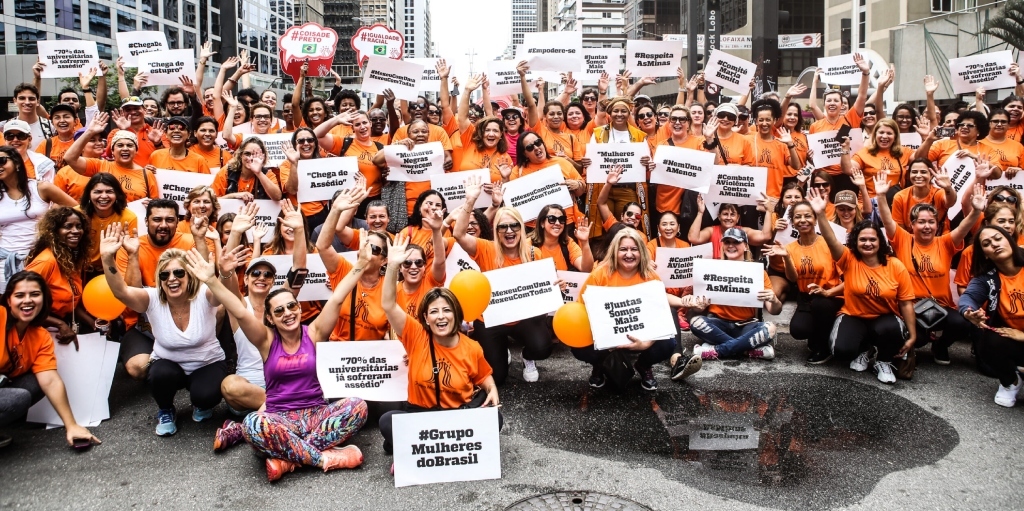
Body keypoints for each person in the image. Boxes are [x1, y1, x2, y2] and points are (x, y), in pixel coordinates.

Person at [190, 236, 368, 481]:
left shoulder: (314, 333)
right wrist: (211, 279)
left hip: (316, 414)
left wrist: (361, 265)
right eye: (279, 310)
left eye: (292, 306)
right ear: (271, 318)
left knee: (358, 406)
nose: (288, 313)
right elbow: (239, 310)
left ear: (299, 308)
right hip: (279, 417)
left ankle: (287, 460)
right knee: (253, 425)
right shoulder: (266, 340)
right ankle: (324, 458)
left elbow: (337, 298)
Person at [378, 233, 499, 458]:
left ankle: (408, 447)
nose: (441, 317)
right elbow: (387, 303)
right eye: (434, 311)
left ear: (456, 315)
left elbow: (484, 377)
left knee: (495, 419)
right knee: (387, 421)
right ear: (425, 317)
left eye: (446, 310)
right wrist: (393, 266)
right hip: (421, 413)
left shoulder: (471, 347)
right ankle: (413, 447)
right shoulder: (415, 334)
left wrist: (492, 390)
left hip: (456, 415)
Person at [100, 223, 227, 435]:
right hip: (169, 365)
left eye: (178, 272)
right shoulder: (151, 299)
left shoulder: (204, 295)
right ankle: (166, 408)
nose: (172, 279)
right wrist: (106, 258)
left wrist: (214, 276)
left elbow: (222, 294)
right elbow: (121, 292)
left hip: (207, 362)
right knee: (159, 374)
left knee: (206, 395)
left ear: (189, 276)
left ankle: (201, 402)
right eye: (164, 275)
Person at [808, 187, 916, 384]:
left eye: (872, 239)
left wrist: (913, 335)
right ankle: (865, 349)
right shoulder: (848, 259)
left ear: (880, 242)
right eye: (862, 239)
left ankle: (883, 360)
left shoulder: (895, 265)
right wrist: (820, 214)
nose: (868, 243)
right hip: (854, 316)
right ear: (855, 242)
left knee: (892, 329)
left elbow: (906, 303)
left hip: (885, 318)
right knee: (841, 351)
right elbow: (831, 240)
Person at [876, 173, 984, 365]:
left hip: (940, 307)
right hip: (909, 307)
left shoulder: (946, 243)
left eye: (931, 222)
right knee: (919, 340)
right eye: (921, 222)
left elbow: (965, 228)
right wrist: (882, 196)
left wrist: (976, 211)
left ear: (937, 224)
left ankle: (940, 346)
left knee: (961, 323)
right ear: (912, 224)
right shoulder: (903, 239)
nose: (927, 226)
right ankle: (920, 338)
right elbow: (887, 221)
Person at [454, 177, 554, 384]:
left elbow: (544, 291)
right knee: (497, 378)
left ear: (521, 227)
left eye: (514, 226)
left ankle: (528, 358)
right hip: (490, 320)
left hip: (523, 319)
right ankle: (501, 351)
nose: (509, 231)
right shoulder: (485, 248)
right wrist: (470, 201)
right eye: (503, 227)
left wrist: (553, 289)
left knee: (542, 347)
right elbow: (458, 233)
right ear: (496, 231)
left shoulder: (535, 254)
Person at [0, 271, 101, 449]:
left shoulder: (40, 335)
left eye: (35, 294)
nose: (27, 300)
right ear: (9, 300)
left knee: (36, 383)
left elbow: (50, 381)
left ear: (44, 300)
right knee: (18, 397)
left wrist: (72, 426)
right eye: (19, 295)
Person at [572, 229, 683, 390]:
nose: (629, 254)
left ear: (641, 252)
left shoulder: (650, 276)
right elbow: (582, 311)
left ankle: (644, 366)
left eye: (634, 249)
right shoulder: (599, 275)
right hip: (606, 340)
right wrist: (604, 340)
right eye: (623, 249)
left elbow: (659, 316)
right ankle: (600, 365)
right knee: (578, 346)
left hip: (642, 336)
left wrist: (646, 344)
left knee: (668, 342)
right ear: (615, 251)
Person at [113, 199, 205, 381]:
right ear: (146, 221)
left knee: (217, 308)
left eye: (170, 220)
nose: (163, 225)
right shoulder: (131, 245)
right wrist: (133, 256)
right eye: (157, 219)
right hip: (144, 325)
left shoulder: (189, 242)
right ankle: (168, 366)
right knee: (137, 368)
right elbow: (133, 299)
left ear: (177, 222)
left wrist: (200, 239)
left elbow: (205, 284)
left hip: (185, 321)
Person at [688, 228, 782, 361]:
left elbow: (774, 310)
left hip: (746, 326)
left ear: (745, 246)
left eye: (736, 242)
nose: (731, 246)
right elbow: (698, 309)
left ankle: (716, 350)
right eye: (727, 242)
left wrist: (774, 300)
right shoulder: (711, 269)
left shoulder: (758, 272)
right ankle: (747, 350)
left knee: (770, 328)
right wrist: (699, 306)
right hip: (718, 324)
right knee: (696, 322)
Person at [769, 201, 844, 364]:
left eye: (807, 216)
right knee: (798, 330)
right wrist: (786, 257)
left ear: (815, 220)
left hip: (830, 297)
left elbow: (848, 278)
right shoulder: (789, 247)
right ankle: (818, 336)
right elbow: (793, 279)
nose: (803, 220)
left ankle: (824, 347)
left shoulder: (828, 244)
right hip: (806, 297)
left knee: (820, 305)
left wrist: (828, 292)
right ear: (793, 222)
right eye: (798, 217)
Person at [959, 225, 1024, 407]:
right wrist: (969, 312)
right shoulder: (987, 278)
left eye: (998, 238)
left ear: (1010, 241)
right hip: (1014, 340)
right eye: (987, 244)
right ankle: (1011, 381)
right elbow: (968, 297)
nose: (994, 244)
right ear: (985, 254)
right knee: (988, 340)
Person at [0, 147, 77, 292]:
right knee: (6, 306)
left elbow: (77, 210)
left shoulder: (40, 188)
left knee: (37, 304)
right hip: (4, 260)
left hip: (39, 258)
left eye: (2, 161)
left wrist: (54, 220)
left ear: (17, 163)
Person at [24, 208, 93, 348]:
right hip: (37, 330)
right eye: (68, 226)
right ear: (54, 231)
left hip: (61, 326)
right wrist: (59, 324)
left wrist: (93, 323)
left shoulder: (71, 259)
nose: (75, 231)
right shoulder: (46, 261)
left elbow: (71, 300)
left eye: (79, 226)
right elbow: (22, 305)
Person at [63, 113, 160, 202]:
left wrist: (151, 205)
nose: (125, 149)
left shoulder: (146, 174)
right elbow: (70, 158)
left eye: (130, 145)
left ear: (136, 151)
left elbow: (156, 205)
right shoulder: (100, 166)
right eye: (120, 145)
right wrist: (90, 132)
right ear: (112, 151)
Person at [77, 173, 137, 277]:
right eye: (98, 192)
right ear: (89, 194)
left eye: (109, 191)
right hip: (79, 270)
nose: (104, 196)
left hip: (112, 272)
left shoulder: (129, 218)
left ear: (117, 194)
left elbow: (128, 253)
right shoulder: (77, 214)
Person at [889, 159, 955, 233]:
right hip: (911, 241)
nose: (918, 175)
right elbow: (900, 232)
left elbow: (950, 202)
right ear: (909, 175)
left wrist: (948, 188)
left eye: (923, 172)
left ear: (931, 175)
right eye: (914, 172)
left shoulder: (938, 193)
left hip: (939, 239)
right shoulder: (900, 197)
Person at [210, 137, 283, 201]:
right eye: (247, 154)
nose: (250, 158)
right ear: (240, 155)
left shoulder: (267, 174)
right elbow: (213, 201)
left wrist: (258, 173)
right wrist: (234, 196)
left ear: (263, 157)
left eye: (255, 154)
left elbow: (277, 197)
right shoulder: (227, 171)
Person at [530, 204, 594, 272]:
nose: (557, 223)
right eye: (552, 219)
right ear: (542, 223)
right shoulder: (527, 245)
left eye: (561, 219)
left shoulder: (568, 242)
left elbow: (586, 269)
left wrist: (584, 242)